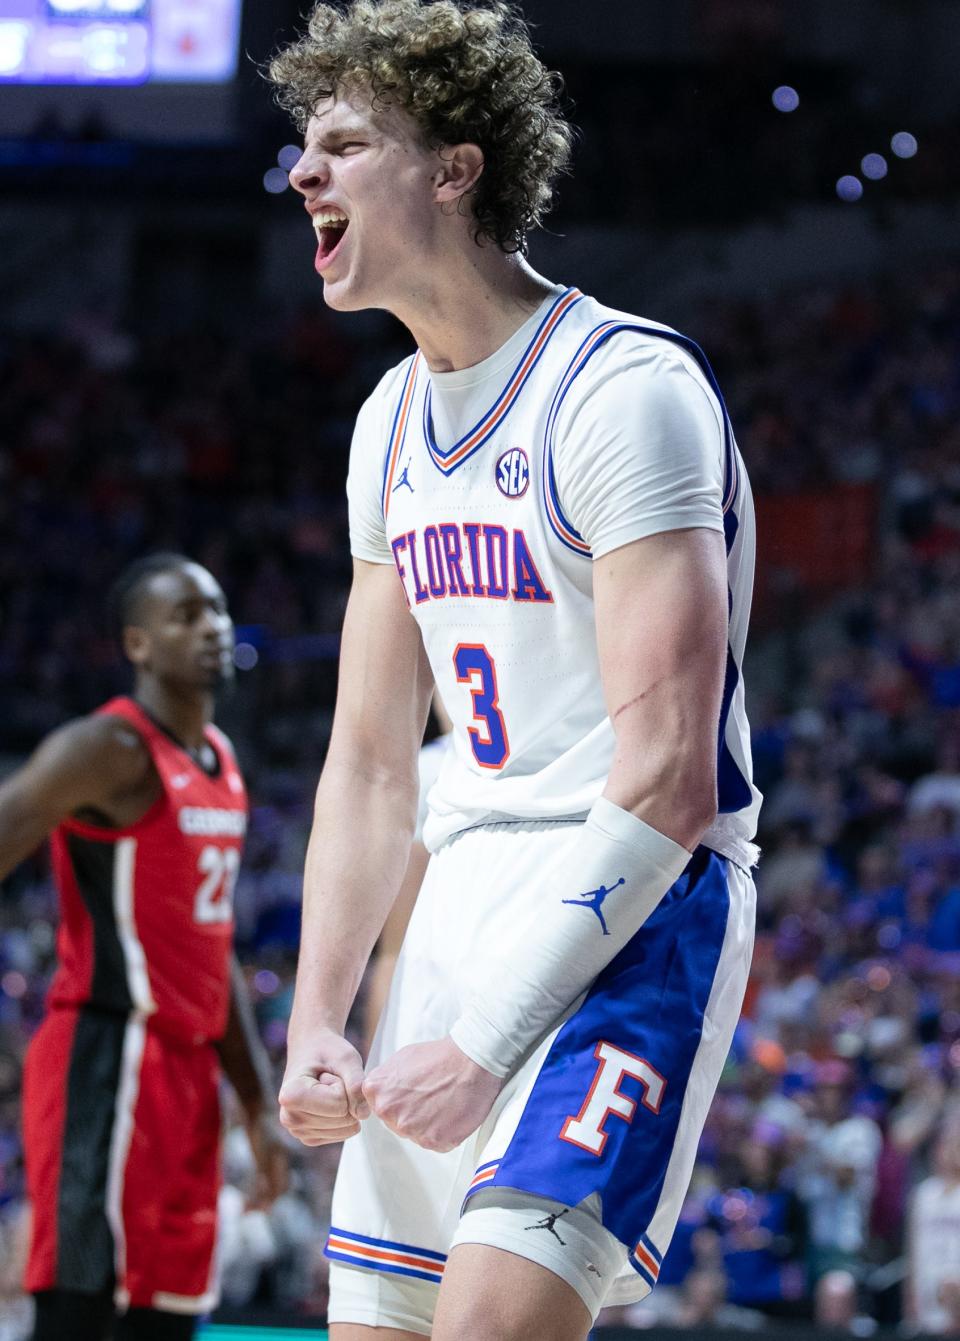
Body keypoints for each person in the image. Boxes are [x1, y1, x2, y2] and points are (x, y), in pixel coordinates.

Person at [270, 3, 760, 1338]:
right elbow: (371, 765)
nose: (303, 174)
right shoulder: (388, 421)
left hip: (631, 907)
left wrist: (489, 1042)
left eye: (344, 143)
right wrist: (318, 1015)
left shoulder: (622, 389)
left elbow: (666, 778)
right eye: (301, 149)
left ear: (453, 167)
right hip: (462, 899)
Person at [0, 554, 285, 1341]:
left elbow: (212, 942)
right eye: (186, 615)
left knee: (168, 1315)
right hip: (104, 1051)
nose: (212, 629)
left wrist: (257, 1103)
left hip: (189, 1075)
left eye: (219, 610)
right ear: (137, 643)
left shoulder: (222, 762)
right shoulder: (110, 748)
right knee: (81, 1307)